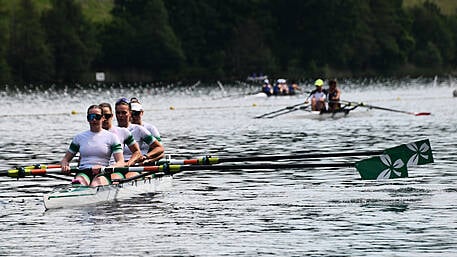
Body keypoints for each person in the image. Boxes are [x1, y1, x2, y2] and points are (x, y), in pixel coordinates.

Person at [60, 105, 125, 186]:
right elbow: (65, 159)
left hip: (102, 172)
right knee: (79, 183)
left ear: (103, 118)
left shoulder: (112, 137)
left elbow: (121, 162)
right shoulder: (79, 138)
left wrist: (108, 168)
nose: (94, 119)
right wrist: (64, 165)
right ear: (88, 119)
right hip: (83, 172)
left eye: (97, 117)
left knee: (95, 184)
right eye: (91, 117)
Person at [115, 98, 164, 167]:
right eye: (118, 113)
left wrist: (147, 159)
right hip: (119, 165)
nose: (134, 116)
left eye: (137, 113)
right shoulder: (113, 130)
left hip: (139, 164)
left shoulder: (147, 129)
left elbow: (160, 150)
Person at [99, 102, 143, 167]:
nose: (104, 119)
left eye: (107, 116)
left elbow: (137, 152)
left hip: (116, 169)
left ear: (112, 116)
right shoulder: (89, 135)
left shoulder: (123, 132)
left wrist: (129, 163)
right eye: (100, 116)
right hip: (97, 169)